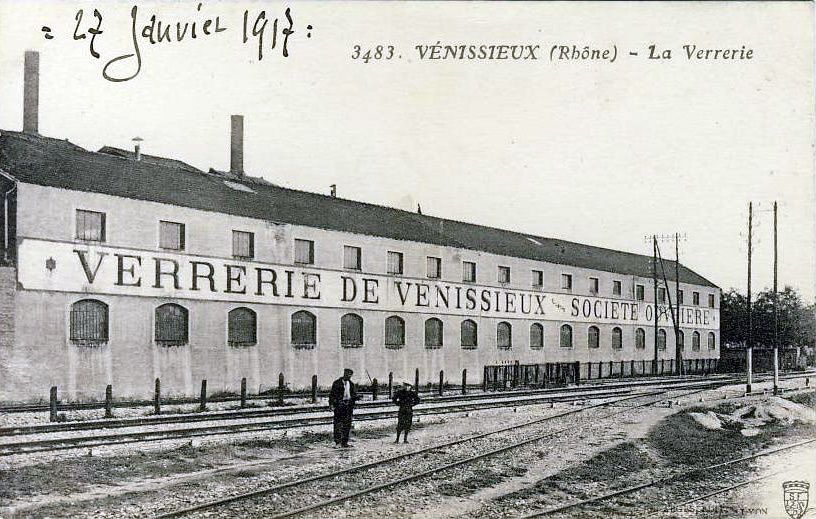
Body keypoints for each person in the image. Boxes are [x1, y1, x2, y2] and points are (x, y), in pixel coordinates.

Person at [329, 368, 357, 448]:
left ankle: (345, 442)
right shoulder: (337, 383)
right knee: (338, 424)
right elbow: (332, 395)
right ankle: (337, 442)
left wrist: (354, 400)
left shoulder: (351, 384)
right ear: (344, 374)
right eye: (347, 374)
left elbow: (353, 395)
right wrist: (331, 404)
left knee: (347, 424)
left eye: (350, 375)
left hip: (348, 406)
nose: (349, 376)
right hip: (339, 405)